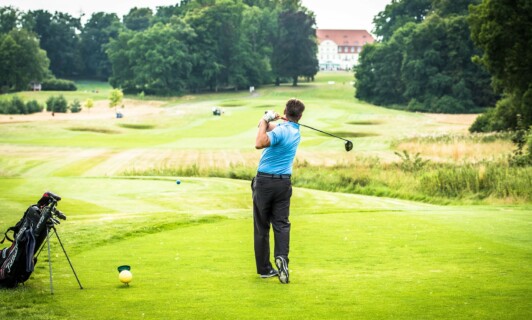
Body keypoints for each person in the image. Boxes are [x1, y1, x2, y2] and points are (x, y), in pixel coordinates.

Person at [252, 98, 305, 284]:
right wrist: (267, 119)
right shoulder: (295, 132)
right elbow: (266, 126)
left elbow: (259, 142)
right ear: (300, 116)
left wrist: (265, 119)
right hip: (284, 184)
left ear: (285, 110)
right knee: (282, 224)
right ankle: (282, 257)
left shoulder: (281, 131)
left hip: (265, 182)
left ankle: (265, 269)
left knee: (262, 227)